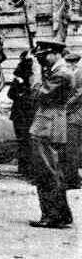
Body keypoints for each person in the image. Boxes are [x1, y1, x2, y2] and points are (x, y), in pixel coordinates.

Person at [28, 40, 74, 228]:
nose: (41, 60)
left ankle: (52, 216)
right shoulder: (59, 71)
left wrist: (35, 74)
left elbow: (38, 94)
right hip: (51, 123)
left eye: (43, 56)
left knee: (46, 172)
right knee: (54, 171)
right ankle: (62, 214)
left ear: (55, 53)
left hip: (48, 125)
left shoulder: (61, 73)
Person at [8, 51, 36, 179]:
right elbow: (10, 94)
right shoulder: (19, 74)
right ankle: (23, 168)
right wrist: (19, 87)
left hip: (29, 114)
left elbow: (33, 94)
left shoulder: (35, 76)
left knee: (29, 141)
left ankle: (30, 170)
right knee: (22, 141)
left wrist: (22, 93)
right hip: (19, 114)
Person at [65, 52, 82, 189]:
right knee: (69, 149)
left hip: (75, 116)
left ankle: (73, 181)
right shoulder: (71, 75)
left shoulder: (80, 74)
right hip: (70, 115)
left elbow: (78, 95)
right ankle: (70, 178)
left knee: (72, 149)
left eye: (70, 63)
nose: (68, 65)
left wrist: (64, 106)